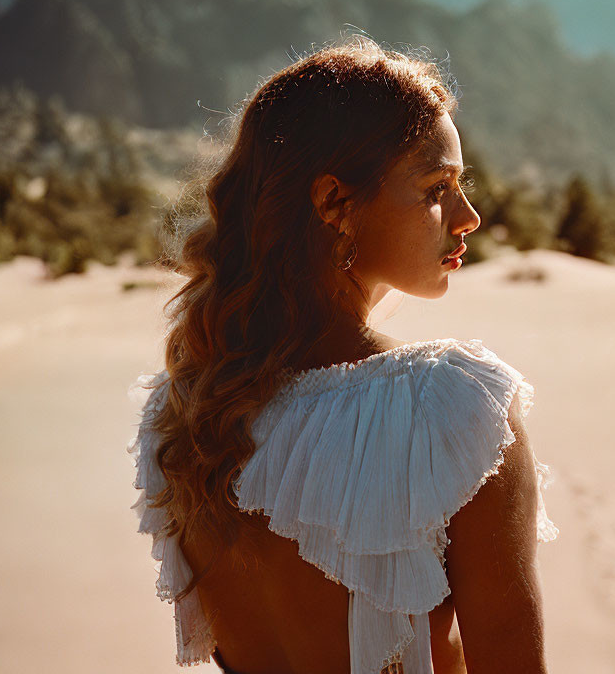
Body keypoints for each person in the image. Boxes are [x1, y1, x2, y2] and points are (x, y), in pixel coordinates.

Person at [128, 35, 558, 674]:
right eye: (436, 186)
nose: (466, 216)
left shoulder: (186, 412)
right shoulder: (452, 408)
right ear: (334, 202)